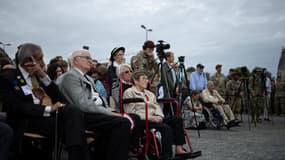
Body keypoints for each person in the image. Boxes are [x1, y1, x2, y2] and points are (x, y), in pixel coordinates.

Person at [0, 43, 90, 160]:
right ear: (28, 60)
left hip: (48, 118)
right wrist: (48, 109)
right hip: (27, 120)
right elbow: (15, 106)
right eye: (40, 59)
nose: (43, 63)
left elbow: (61, 99)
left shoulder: (39, 76)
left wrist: (43, 76)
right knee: (74, 126)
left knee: (72, 111)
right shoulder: (8, 77)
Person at [56, 49, 132, 160]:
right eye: (87, 58)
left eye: (91, 58)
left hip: (97, 112)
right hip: (84, 115)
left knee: (134, 118)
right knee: (122, 122)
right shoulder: (70, 77)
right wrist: (109, 112)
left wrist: (110, 111)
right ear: (76, 60)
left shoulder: (88, 78)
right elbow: (83, 104)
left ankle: (112, 153)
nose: (90, 61)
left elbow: (101, 98)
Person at [123, 70, 195, 160]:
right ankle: (166, 155)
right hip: (142, 119)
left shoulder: (150, 94)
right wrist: (150, 118)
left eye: (147, 78)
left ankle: (179, 149)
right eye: (143, 79)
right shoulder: (129, 93)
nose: (147, 81)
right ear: (136, 81)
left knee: (177, 119)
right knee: (165, 128)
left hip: (155, 117)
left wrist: (160, 116)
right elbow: (131, 113)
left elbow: (157, 107)